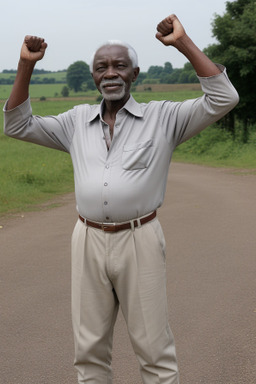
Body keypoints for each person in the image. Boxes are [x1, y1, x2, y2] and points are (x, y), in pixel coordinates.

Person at [3, 14, 239, 384]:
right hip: (87, 239)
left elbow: (224, 97)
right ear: (94, 76)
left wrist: (182, 43)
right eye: (102, 67)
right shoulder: (75, 121)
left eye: (119, 66)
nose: (110, 73)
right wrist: (25, 65)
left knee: (154, 350)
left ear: (135, 74)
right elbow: (17, 125)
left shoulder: (164, 118)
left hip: (139, 237)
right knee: (89, 351)